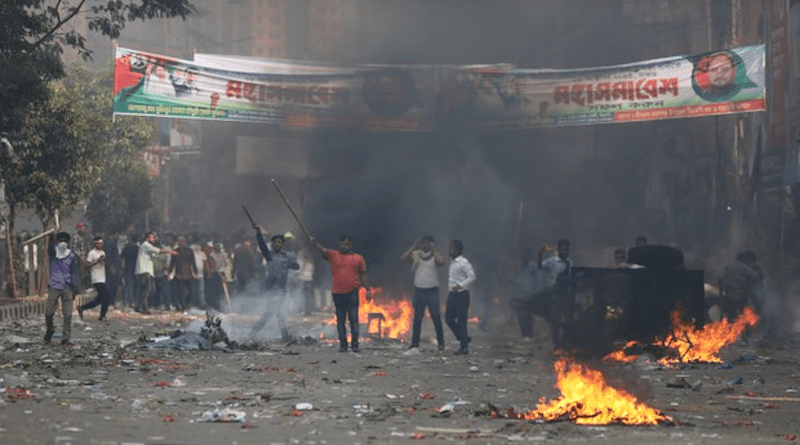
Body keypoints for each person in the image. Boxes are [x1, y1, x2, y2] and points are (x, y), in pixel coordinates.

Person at [310, 234, 371, 353]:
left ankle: (354, 345)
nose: (343, 246)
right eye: (341, 244)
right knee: (340, 321)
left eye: (345, 244)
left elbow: (363, 275)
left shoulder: (358, 258)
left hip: (352, 293)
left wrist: (368, 289)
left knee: (354, 320)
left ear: (350, 245)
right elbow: (322, 250)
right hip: (338, 294)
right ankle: (343, 345)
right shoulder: (333, 255)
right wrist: (314, 243)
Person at [248, 227, 300, 343]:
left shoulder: (287, 256)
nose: (277, 244)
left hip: (281, 290)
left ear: (283, 244)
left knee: (275, 313)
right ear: (272, 244)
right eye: (275, 242)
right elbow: (262, 246)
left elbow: (297, 266)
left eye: (279, 242)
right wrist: (259, 234)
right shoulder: (269, 255)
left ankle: (254, 333)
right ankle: (283, 336)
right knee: (274, 314)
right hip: (272, 289)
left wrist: (288, 264)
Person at [400, 235, 446, 351]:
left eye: (427, 243)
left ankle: (441, 343)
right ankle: (415, 344)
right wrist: (413, 246)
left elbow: (442, 261)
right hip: (419, 291)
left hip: (432, 291)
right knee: (417, 319)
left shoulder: (434, 256)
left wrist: (434, 249)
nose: (424, 245)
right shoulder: (416, 254)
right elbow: (403, 258)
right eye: (423, 243)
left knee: (436, 318)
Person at [44, 231, 82, 345]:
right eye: (61, 241)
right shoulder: (54, 253)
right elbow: (49, 248)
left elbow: (74, 272)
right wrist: (50, 237)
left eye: (65, 241)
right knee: (49, 312)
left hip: (67, 286)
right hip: (54, 285)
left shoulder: (71, 256)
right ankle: (50, 329)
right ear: (57, 242)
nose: (63, 243)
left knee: (68, 314)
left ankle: (65, 338)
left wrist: (75, 288)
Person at [537, 238, 574, 349]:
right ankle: (556, 345)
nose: (565, 251)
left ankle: (564, 343)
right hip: (555, 294)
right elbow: (539, 267)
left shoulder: (570, 262)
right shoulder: (552, 262)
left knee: (568, 322)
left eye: (567, 249)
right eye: (563, 249)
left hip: (567, 294)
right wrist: (540, 254)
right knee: (555, 322)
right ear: (558, 249)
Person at [445, 239, 475, 355]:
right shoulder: (453, 262)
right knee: (448, 319)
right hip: (452, 294)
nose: (449, 250)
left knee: (461, 321)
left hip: (462, 295)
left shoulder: (464, 262)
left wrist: (460, 285)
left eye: (452, 248)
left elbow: (472, 276)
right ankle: (464, 338)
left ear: (458, 250)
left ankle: (464, 347)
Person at [134, 232, 174, 314]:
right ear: (147, 238)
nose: (154, 239)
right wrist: (169, 251)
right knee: (148, 289)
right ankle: (139, 306)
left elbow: (156, 254)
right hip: (144, 270)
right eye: (152, 237)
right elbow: (158, 251)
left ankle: (144, 307)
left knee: (148, 289)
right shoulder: (146, 245)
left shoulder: (148, 247)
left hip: (147, 271)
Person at [719, 251, 763, 320]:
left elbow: (720, 280)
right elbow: (757, 277)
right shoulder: (744, 267)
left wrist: (721, 295)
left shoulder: (727, 268)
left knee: (730, 318)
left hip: (728, 298)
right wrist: (757, 269)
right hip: (741, 298)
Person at [77, 236, 110, 321]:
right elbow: (86, 266)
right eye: (98, 244)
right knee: (105, 298)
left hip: (103, 277)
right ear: (95, 244)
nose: (100, 245)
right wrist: (98, 261)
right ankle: (102, 316)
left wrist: (105, 261)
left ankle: (82, 307)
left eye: (101, 244)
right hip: (96, 278)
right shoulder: (92, 253)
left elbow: (106, 266)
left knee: (101, 298)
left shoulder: (103, 252)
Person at [513, 247, 539, 340]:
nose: (525, 257)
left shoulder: (533, 267)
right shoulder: (518, 266)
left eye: (527, 254)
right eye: (523, 254)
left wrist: (535, 293)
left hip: (530, 294)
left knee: (528, 315)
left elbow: (537, 281)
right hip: (519, 294)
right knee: (521, 315)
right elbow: (516, 278)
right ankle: (524, 334)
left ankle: (529, 334)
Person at [169, 235, 197, 311]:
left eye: (182, 241)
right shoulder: (175, 251)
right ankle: (183, 307)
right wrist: (170, 272)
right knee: (181, 292)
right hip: (179, 273)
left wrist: (195, 270)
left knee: (191, 291)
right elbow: (172, 263)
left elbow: (193, 261)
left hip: (188, 273)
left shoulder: (190, 250)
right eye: (179, 241)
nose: (181, 243)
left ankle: (187, 304)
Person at [120, 234, 139, 308]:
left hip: (127, 269)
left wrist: (121, 268)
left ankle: (128, 301)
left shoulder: (126, 248)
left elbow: (121, 258)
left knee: (128, 286)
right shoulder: (138, 249)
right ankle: (134, 301)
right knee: (135, 287)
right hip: (136, 270)